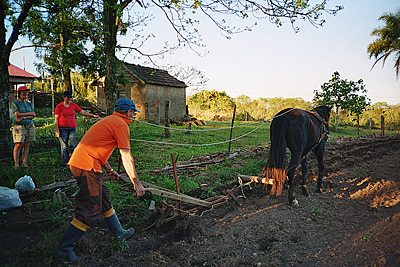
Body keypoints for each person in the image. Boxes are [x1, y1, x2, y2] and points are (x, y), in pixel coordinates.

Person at [55, 97, 146, 262]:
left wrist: (109, 170)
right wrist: (137, 184)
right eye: (133, 113)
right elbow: (126, 155)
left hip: (85, 162)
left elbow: (97, 147)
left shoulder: (110, 120)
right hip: (86, 165)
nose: (133, 117)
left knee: (104, 196)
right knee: (91, 208)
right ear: (129, 112)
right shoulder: (121, 125)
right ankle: (64, 250)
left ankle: (119, 232)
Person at [54, 91, 99, 165]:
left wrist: (92, 115)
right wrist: (57, 130)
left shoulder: (73, 105)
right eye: (68, 97)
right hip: (62, 128)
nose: (69, 99)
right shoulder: (59, 106)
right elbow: (56, 119)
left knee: (72, 145)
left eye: (70, 97)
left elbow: (82, 112)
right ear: (64, 97)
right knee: (64, 146)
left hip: (72, 128)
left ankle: (73, 161)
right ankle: (65, 162)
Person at [11, 86, 36, 168]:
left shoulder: (29, 104)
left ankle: (24, 162)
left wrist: (23, 117)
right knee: (18, 144)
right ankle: (16, 164)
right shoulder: (15, 103)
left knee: (27, 144)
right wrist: (29, 114)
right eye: (23, 92)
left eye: (26, 92)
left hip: (30, 125)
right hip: (19, 126)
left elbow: (33, 115)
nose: (25, 94)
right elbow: (17, 114)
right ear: (19, 93)